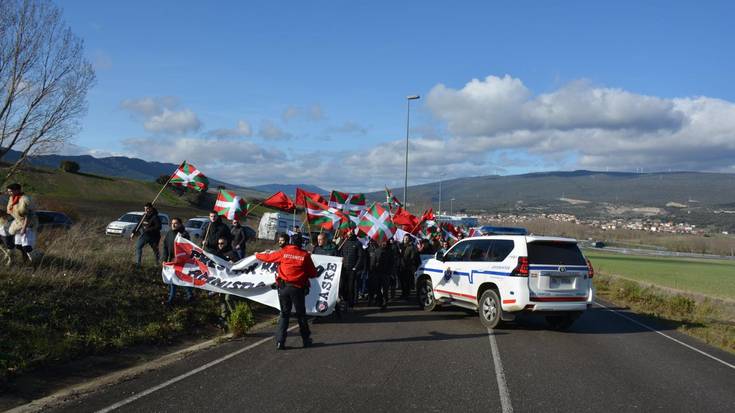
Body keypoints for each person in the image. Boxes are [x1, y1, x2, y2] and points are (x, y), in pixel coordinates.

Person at [256, 233, 318, 350]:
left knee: (284, 315)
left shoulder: (284, 252)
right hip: (298, 289)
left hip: (283, 288)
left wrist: (257, 255)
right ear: (301, 243)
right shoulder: (305, 255)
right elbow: (313, 274)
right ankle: (305, 340)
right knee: (301, 315)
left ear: (290, 241)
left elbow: (268, 258)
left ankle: (280, 341)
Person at [161, 217, 193, 305]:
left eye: (175, 223)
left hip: (181, 261)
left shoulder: (184, 234)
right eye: (172, 223)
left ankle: (188, 296)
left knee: (180, 279)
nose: (173, 225)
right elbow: (165, 247)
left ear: (180, 224)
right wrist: (164, 259)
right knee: (173, 280)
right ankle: (173, 298)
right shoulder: (169, 233)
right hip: (172, 261)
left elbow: (188, 248)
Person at [5, 183, 38, 263]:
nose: (9, 193)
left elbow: (28, 215)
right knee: (19, 246)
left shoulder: (25, 200)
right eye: (8, 191)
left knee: (26, 247)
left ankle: (35, 262)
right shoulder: (12, 199)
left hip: (29, 224)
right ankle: (25, 261)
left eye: (11, 191)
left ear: (17, 190)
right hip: (18, 224)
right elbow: (11, 212)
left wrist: (24, 228)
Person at [338, 230, 364, 310]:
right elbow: (340, 253)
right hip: (344, 269)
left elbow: (360, 257)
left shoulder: (358, 243)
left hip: (352, 269)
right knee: (342, 286)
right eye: (348, 233)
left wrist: (355, 267)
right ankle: (345, 300)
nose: (349, 234)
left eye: (350, 233)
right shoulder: (344, 243)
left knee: (351, 287)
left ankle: (351, 304)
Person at [131, 203, 161, 267]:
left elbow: (158, 227)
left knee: (155, 250)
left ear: (151, 208)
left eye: (147, 209)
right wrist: (133, 232)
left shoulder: (155, 217)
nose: (146, 210)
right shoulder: (144, 216)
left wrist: (149, 229)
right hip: (145, 235)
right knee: (138, 247)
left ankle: (157, 264)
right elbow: (138, 225)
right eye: (145, 209)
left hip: (154, 236)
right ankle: (138, 263)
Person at [369, 239, 395, 309]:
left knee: (385, 289)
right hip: (377, 273)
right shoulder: (377, 251)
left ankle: (385, 302)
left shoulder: (390, 252)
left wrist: (390, 272)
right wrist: (372, 270)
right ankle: (380, 301)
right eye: (383, 242)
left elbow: (392, 263)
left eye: (385, 242)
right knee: (377, 288)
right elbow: (373, 262)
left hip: (386, 273)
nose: (384, 243)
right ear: (380, 243)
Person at [399, 234, 420, 298]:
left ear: (409, 239)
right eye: (404, 238)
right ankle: (403, 294)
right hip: (401, 267)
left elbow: (412, 258)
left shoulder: (412, 247)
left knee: (407, 282)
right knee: (402, 281)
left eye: (407, 238)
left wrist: (409, 263)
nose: (405, 239)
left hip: (408, 268)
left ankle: (407, 294)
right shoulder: (401, 246)